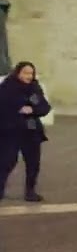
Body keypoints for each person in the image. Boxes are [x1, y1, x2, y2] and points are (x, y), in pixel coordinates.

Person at [0, 61, 51, 202]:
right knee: (7, 161)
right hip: (11, 131)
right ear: (18, 73)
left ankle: (30, 192)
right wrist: (17, 111)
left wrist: (32, 110)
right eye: (25, 73)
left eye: (31, 73)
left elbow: (45, 107)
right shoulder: (6, 88)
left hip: (31, 131)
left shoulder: (35, 88)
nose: (29, 76)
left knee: (33, 163)